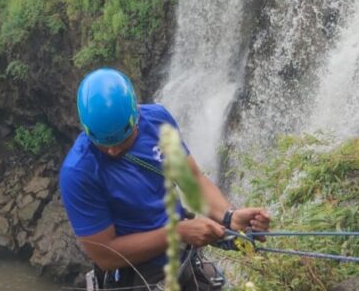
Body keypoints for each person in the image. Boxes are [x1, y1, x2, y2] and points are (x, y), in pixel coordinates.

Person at [59, 68, 270, 290]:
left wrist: (229, 217)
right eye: (103, 143)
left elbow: (193, 181)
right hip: (135, 278)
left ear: (136, 116)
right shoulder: (78, 172)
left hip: (181, 261)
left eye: (121, 139)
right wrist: (179, 233)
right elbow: (107, 255)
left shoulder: (158, 122)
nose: (112, 151)